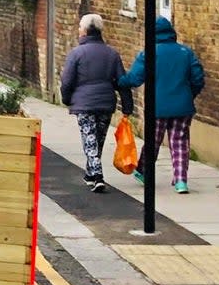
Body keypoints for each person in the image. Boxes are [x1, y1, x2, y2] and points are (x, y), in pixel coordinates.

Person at [118, 17, 206, 193]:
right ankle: (181, 180)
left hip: (156, 106)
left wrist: (118, 82)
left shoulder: (148, 53)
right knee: (180, 142)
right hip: (182, 106)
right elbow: (198, 79)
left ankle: (144, 171)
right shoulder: (185, 52)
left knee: (153, 141)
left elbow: (135, 78)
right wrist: (189, 95)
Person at [60, 14, 134, 193]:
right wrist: (127, 105)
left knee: (90, 139)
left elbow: (67, 81)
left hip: (84, 104)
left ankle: (98, 175)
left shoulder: (76, 54)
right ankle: (90, 174)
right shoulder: (112, 54)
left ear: (84, 31)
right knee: (97, 140)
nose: (78, 30)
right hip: (105, 103)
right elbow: (121, 82)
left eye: (79, 27)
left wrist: (66, 99)